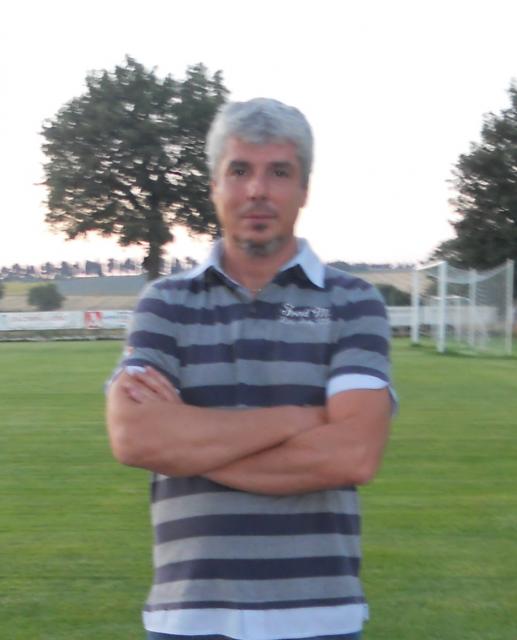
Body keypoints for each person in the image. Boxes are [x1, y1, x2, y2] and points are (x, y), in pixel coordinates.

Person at [106, 97, 395, 640]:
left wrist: (189, 444)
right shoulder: (165, 304)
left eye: (278, 172)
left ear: (304, 189)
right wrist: (301, 419)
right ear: (215, 185)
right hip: (189, 617)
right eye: (239, 170)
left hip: (318, 617)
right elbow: (135, 438)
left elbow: (353, 454)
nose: (257, 190)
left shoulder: (353, 302)